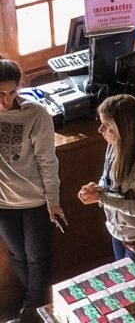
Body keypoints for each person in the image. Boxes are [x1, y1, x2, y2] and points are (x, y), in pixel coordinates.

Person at [0, 58, 63, 320]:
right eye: (0, 94)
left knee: (38, 257)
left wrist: (53, 200)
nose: (6, 100)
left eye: (12, 92)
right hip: (3, 204)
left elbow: (47, 162)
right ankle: (35, 305)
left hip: (35, 200)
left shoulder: (35, 114)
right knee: (17, 255)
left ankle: (34, 310)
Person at [78, 94, 135, 263]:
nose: (100, 130)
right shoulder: (114, 145)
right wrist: (98, 188)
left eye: (106, 126)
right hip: (120, 233)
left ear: (123, 130)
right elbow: (109, 178)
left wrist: (102, 198)